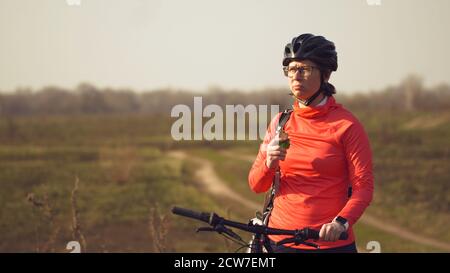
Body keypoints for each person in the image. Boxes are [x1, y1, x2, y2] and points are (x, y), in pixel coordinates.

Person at [248, 33, 374, 253]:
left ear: (325, 74)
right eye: (291, 69)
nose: (296, 76)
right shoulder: (280, 123)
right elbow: (256, 185)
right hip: (279, 241)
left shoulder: (347, 125)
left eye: (304, 69)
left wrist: (341, 222)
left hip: (328, 243)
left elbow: (364, 187)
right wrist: (268, 163)